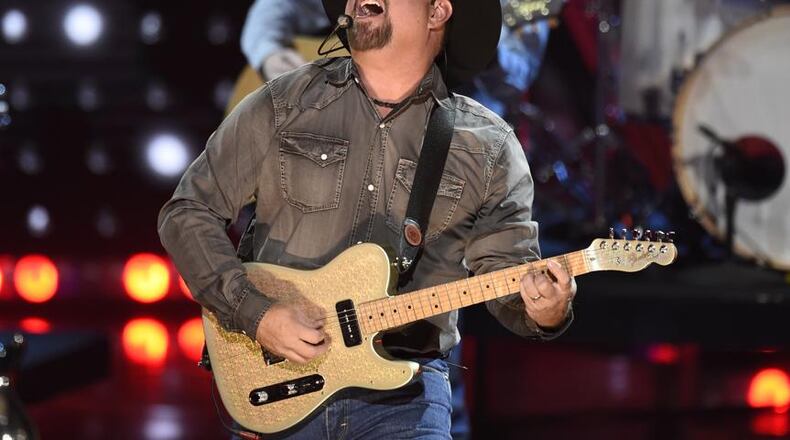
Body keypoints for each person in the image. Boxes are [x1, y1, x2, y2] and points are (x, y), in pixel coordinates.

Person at [158, 0, 576, 438]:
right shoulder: (284, 104)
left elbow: (509, 281)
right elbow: (187, 212)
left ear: (437, 13)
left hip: (406, 399)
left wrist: (546, 308)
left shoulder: (488, 146)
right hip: (281, 388)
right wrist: (256, 313)